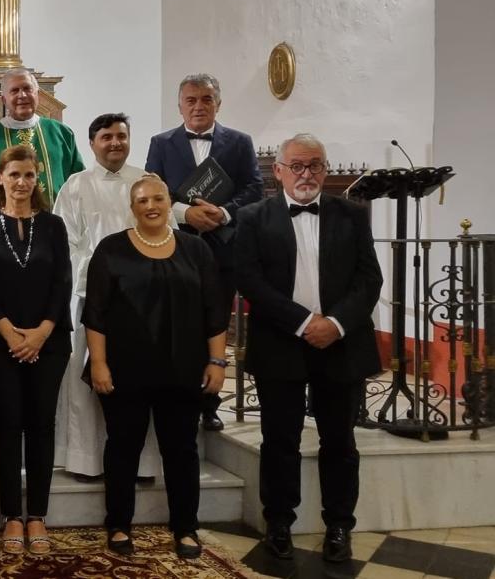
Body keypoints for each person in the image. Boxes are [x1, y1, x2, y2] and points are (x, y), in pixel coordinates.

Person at [234, 134, 382, 563]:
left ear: (325, 168)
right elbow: (250, 280)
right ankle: (279, 523)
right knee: (280, 440)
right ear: (277, 171)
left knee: (340, 440)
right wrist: (302, 323)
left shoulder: (352, 215)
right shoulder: (252, 217)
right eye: (296, 166)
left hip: (341, 343)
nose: (306, 174)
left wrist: (334, 324)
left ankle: (339, 525)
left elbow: (369, 279)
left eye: (315, 165)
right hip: (281, 342)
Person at [83, 173, 229, 560]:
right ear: (132, 208)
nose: (151, 205)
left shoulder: (196, 250)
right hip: (124, 372)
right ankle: (118, 525)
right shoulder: (111, 249)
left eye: (158, 198)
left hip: (183, 371)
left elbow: (214, 310)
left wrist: (217, 360)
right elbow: (94, 314)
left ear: (169, 203)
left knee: (181, 450)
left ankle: (186, 527)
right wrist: (98, 363)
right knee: (122, 450)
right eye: (143, 200)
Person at [0, 145, 72, 556]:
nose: (22, 183)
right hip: (1, 342)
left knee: (42, 425)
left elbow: (62, 280)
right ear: (0, 178)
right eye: (14, 175)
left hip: (49, 341)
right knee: (9, 425)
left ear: (37, 180)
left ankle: (38, 517)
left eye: (29, 175)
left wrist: (42, 332)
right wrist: (11, 334)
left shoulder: (54, 225)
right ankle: (12, 515)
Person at [145, 73, 263, 432]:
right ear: (179, 105)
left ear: (218, 103)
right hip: (176, 247)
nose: (198, 106)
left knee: (215, 324)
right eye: (191, 100)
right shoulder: (161, 143)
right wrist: (186, 213)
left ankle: (209, 404)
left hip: (224, 249)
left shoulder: (239, 142)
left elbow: (254, 187)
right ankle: (176, 398)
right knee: (177, 323)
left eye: (206, 99)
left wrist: (224, 213)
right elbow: (153, 189)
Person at [53, 113, 163, 481]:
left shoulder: (146, 182)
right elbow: (63, 242)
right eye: (106, 137)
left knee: (140, 381)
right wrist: (102, 271)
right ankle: (85, 460)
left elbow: (167, 234)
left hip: (143, 299)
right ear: (92, 143)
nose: (115, 142)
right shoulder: (76, 184)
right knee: (87, 379)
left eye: (121, 136)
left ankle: (142, 463)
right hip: (91, 295)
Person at [0, 68, 83, 237]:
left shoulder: (61, 133)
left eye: (27, 89)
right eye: (15, 90)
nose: (22, 95)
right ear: (4, 99)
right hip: (4, 234)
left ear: (38, 95)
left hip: (57, 232)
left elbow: (77, 183)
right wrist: (1, 225)